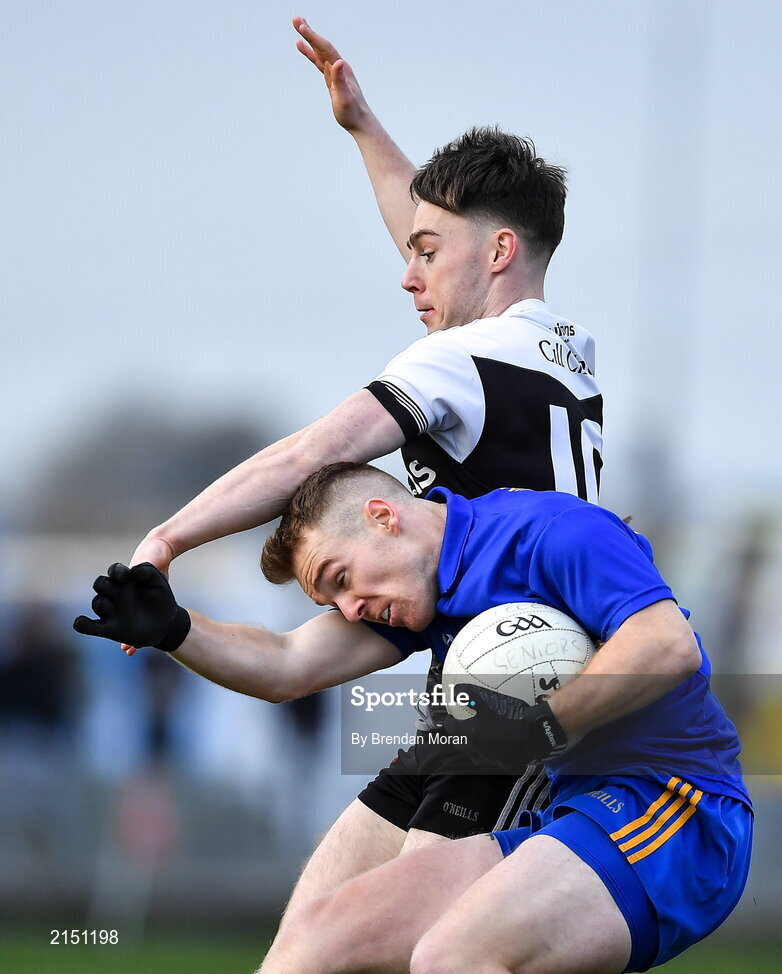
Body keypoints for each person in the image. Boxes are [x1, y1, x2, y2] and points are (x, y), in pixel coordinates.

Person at [120, 17, 603, 921]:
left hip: (512, 688)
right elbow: (294, 662)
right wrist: (363, 130)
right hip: (486, 686)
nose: (408, 273)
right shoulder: (551, 358)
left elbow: (315, 451)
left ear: (497, 253)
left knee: (410, 941)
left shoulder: (461, 366)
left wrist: (169, 537)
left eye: (424, 255)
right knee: (311, 934)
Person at [75, 462, 752, 973]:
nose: (348, 608)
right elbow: (286, 663)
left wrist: (539, 725)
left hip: (678, 810)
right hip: (575, 814)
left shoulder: (550, 533)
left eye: (340, 579)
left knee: (446, 959)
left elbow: (667, 644)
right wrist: (175, 629)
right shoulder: (426, 588)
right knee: (306, 952)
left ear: (382, 516)